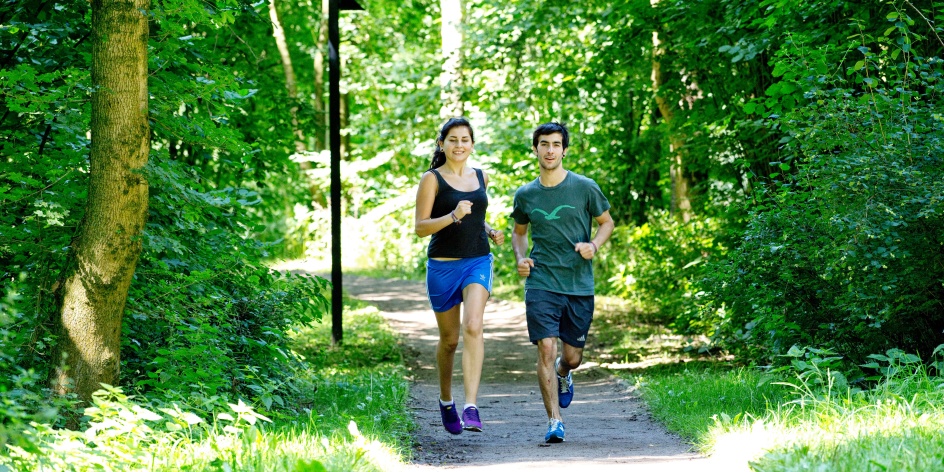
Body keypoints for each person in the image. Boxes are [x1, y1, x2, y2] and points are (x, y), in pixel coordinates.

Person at [510, 122, 615, 443]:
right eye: (544, 144)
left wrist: (593, 246)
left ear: (564, 149)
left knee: (572, 357)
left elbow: (606, 222)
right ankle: (555, 420)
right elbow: (518, 233)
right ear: (536, 149)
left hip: (578, 285)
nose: (550, 150)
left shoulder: (585, 187)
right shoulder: (526, 194)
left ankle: (564, 373)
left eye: (556, 144)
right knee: (546, 347)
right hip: (541, 282)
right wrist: (520, 258)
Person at [414, 117, 505, 435]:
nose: (459, 145)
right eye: (452, 139)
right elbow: (420, 227)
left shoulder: (482, 176)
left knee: (474, 326)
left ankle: (471, 406)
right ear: (442, 144)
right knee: (450, 341)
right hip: (442, 266)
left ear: (472, 144)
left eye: (465, 139)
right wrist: (452, 216)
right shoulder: (432, 179)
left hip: (477, 261)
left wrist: (489, 229)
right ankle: (445, 400)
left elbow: (476, 217)